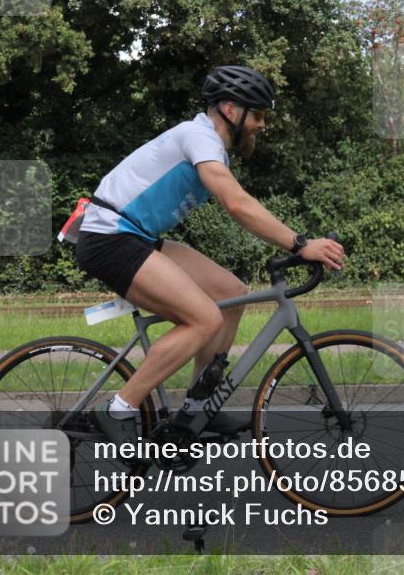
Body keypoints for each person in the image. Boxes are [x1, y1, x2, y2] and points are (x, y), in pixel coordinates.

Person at [75, 65, 345, 448]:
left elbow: (240, 205)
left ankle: (197, 407)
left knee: (229, 291)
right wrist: (300, 244)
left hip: (135, 235)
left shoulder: (212, 149)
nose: (262, 124)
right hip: (110, 237)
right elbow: (236, 204)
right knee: (204, 318)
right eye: (259, 114)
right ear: (232, 111)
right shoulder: (198, 135)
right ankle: (118, 409)